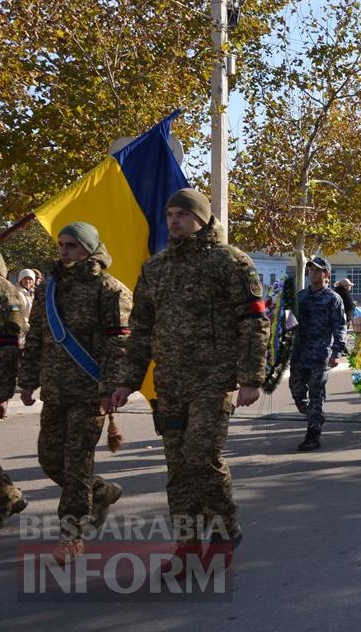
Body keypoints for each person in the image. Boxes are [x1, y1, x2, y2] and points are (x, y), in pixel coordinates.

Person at [108, 189, 267, 567]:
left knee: (201, 455)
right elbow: (141, 328)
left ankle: (226, 527)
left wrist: (251, 378)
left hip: (214, 380)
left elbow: (253, 323)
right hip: (171, 382)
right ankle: (187, 545)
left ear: (201, 218)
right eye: (170, 215)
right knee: (178, 468)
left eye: (182, 214)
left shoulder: (230, 262)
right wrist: (127, 380)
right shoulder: (156, 268)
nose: (174, 221)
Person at [19, 222, 132, 563]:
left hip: (90, 391)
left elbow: (120, 344)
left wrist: (111, 387)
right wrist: (27, 381)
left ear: (88, 249)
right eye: (61, 244)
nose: (64, 250)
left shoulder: (109, 290)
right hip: (55, 390)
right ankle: (103, 491)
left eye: (71, 245)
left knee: (77, 463)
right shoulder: (49, 288)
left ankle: (71, 534)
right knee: (50, 459)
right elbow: (36, 336)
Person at [289, 257, 347, 452]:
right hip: (299, 353)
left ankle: (313, 434)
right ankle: (316, 415)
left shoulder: (333, 298)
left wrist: (337, 352)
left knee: (316, 394)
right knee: (297, 392)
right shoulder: (300, 296)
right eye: (311, 270)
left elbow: (340, 327)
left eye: (317, 270)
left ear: (326, 275)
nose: (313, 273)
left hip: (320, 355)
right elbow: (290, 322)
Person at [0, 245, 28, 529]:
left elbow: (8, 345)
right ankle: (9, 498)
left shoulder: (0, 289)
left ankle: (8, 498)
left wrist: (0, 392)